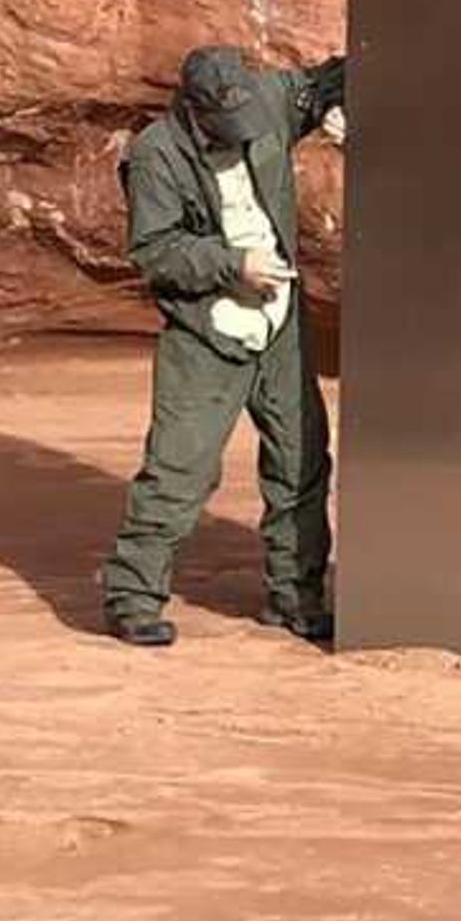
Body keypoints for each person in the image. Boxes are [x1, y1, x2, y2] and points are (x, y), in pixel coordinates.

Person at [99, 41, 349, 649]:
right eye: (224, 125)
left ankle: (296, 598)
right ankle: (132, 598)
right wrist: (232, 264)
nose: (239, 134)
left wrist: (336, 105)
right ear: (192, 109)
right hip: (207, 328)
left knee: (301, 462)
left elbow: (328, 77)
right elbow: (155, 252)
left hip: (280, 322)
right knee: (178, 469)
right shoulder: (155, 156)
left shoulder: (266, 100)